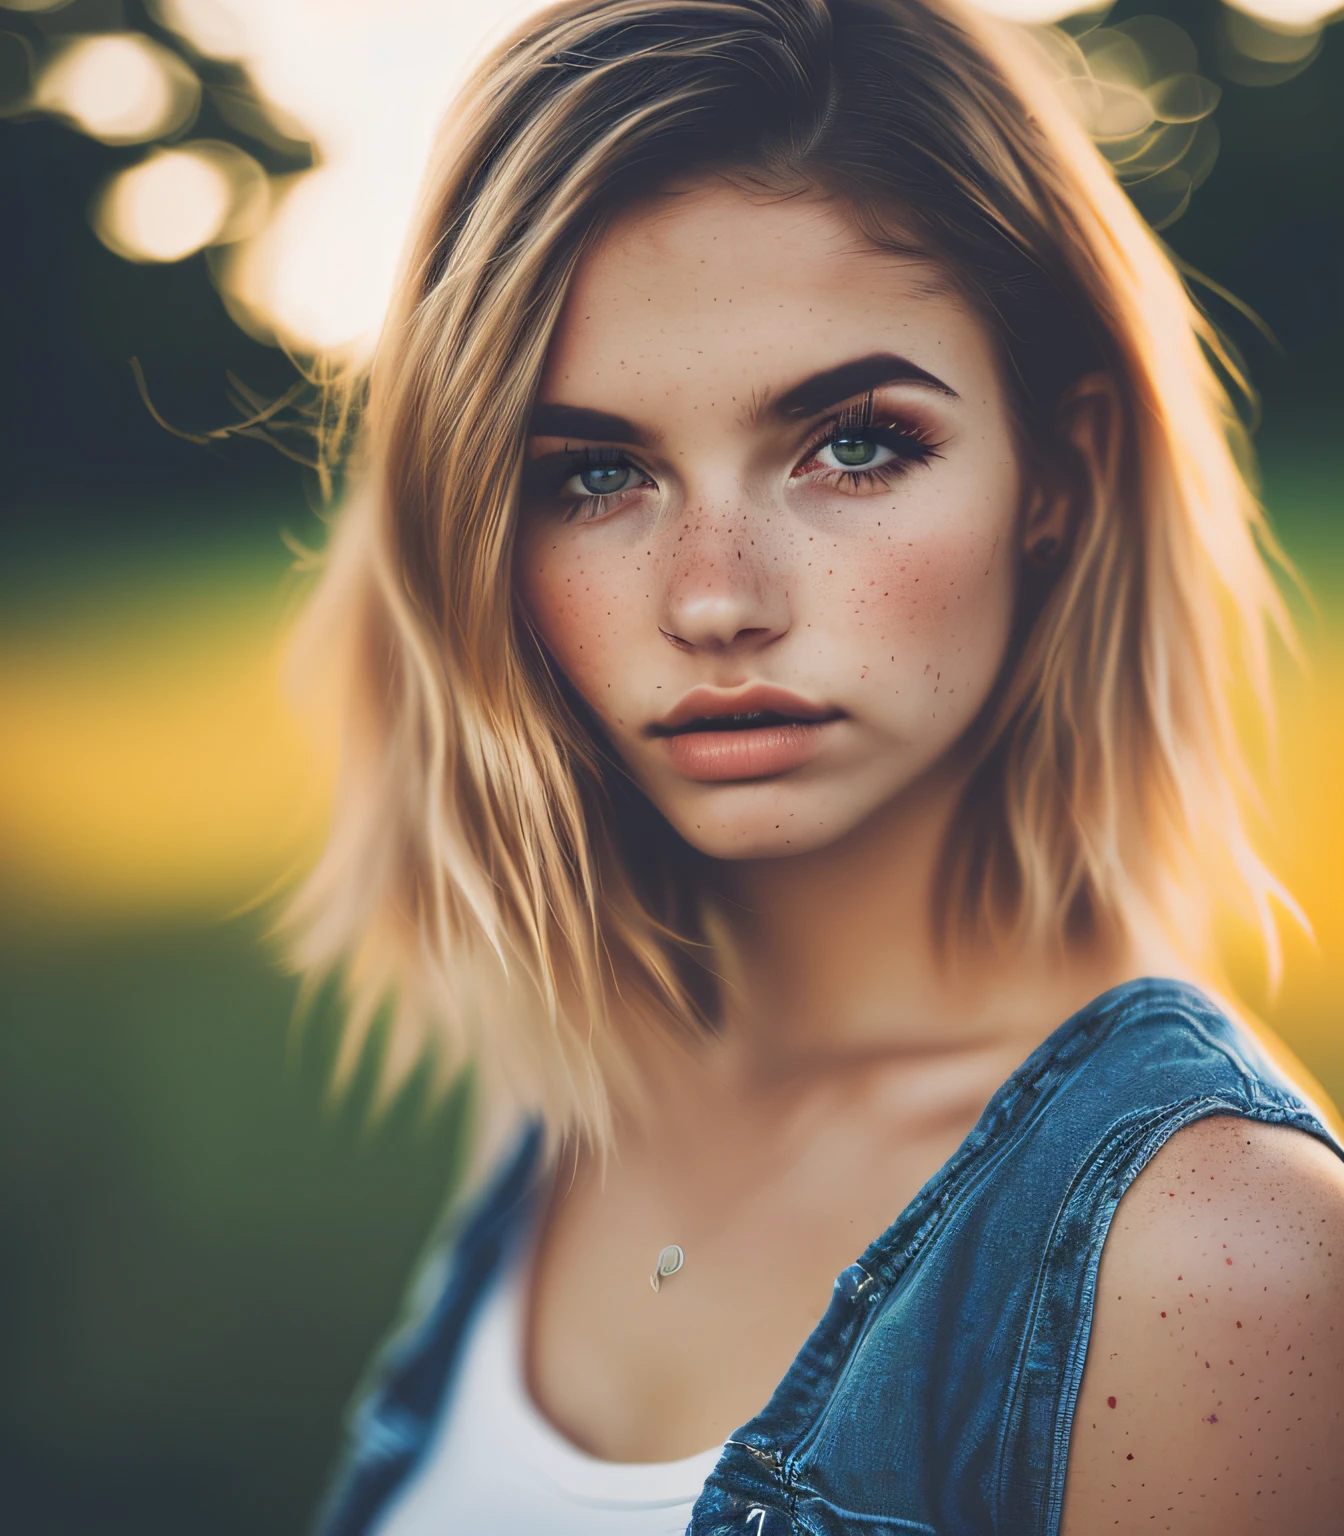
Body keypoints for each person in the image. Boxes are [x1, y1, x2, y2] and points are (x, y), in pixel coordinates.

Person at [288, 1, 1344, 1531]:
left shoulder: (1220, 1261)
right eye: (593, 474)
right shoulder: (574, 1082)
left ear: (1064, 471)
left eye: (851, 444)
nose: (714, 598)